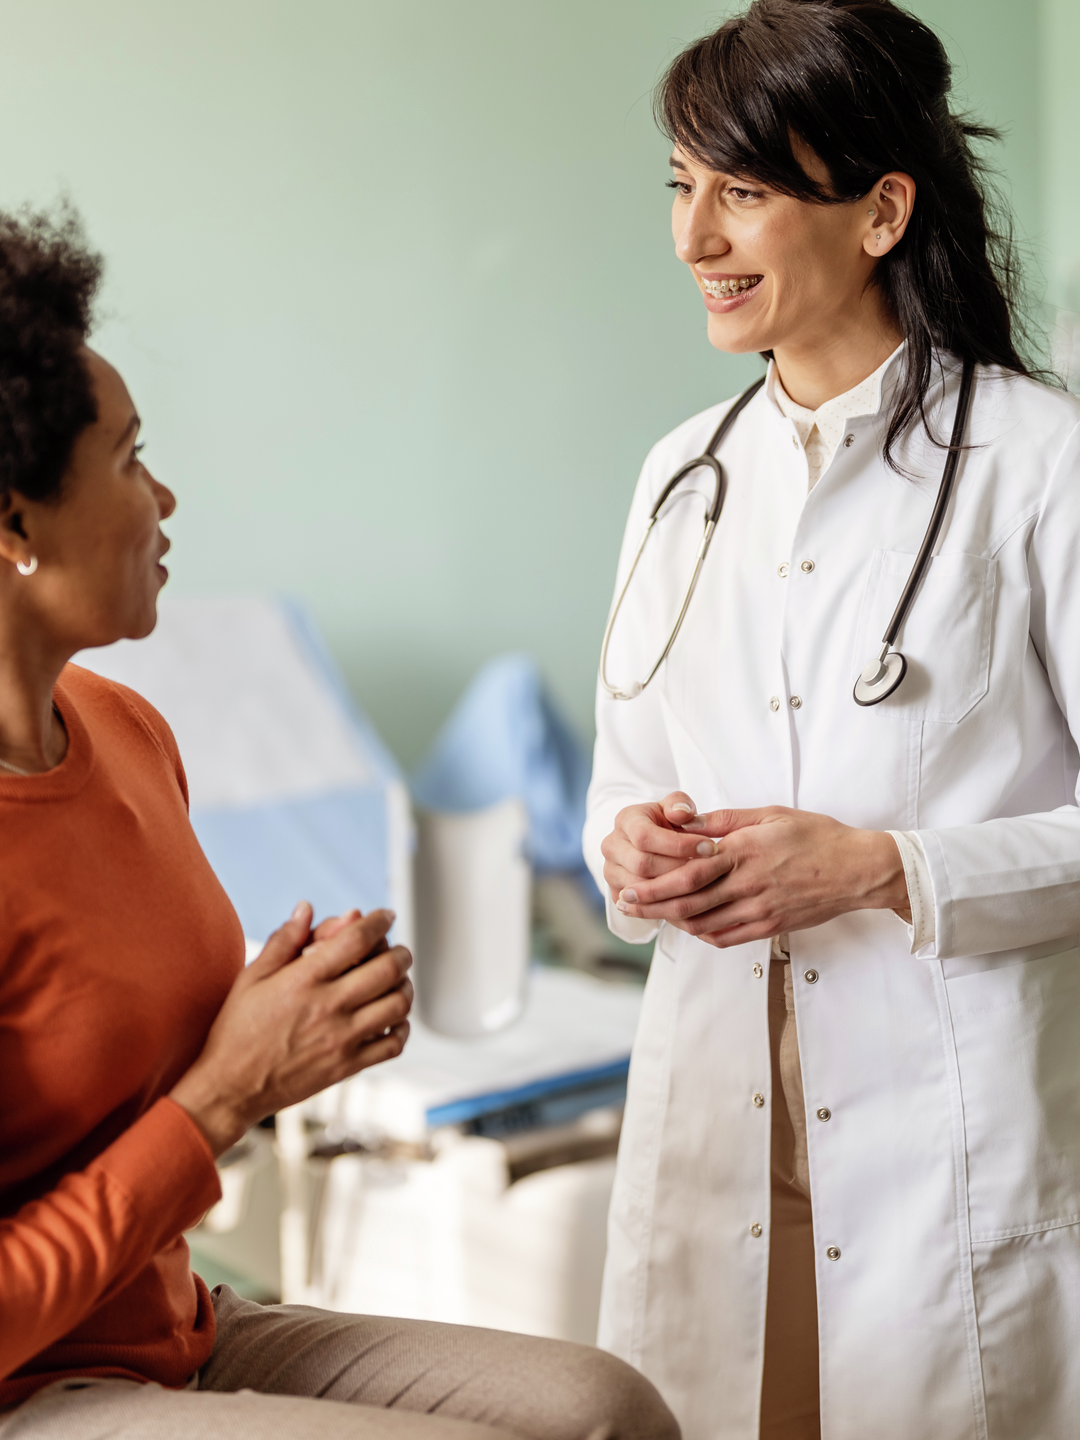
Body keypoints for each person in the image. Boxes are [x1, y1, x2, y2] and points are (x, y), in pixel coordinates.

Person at [0, 206, 679, 1440]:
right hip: (28, 1383)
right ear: (14, 524)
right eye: (129, 457)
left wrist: (299, 1018)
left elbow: (126, 1053)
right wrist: (225, 1094)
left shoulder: (128, 731)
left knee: (607, 1410)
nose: (164, 494)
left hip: (178, 1328)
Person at [583, 2, 1080, 1438]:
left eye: (742, 190)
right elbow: (625, 773)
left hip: (948, 1125)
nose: (694, 239)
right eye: (681, 186)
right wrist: (630, 850)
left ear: (880, 213)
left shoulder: (1035, 465)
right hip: (726, 1103)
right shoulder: (683, 477)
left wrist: (883, 869)